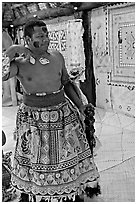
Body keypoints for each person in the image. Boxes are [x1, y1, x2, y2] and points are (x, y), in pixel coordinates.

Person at [2, 19, 100, 202]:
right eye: (40, 36)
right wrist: (12, 50)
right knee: (36, 157)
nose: (46, 39)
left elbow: (65, 83)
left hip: (63, 114)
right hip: (33, 118)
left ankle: (70, 191)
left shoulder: (57, 56)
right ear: (28, 40)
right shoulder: (19, 63)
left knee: (67, 155)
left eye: (46, 34)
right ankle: (39, 193)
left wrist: (80, 106)